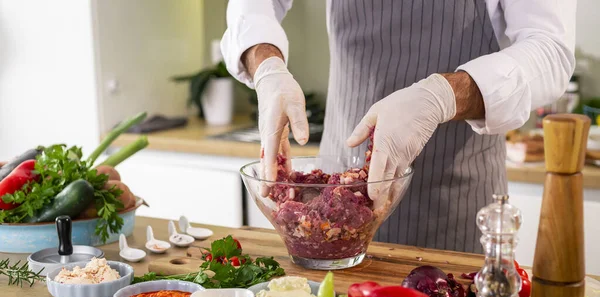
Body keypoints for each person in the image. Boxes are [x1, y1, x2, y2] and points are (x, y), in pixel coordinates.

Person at [221, 0, 575, 253]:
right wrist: (267, 68)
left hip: (453, 200)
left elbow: (551, 51)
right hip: (330, 208)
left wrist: (442, 96)